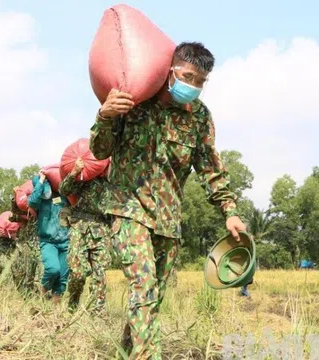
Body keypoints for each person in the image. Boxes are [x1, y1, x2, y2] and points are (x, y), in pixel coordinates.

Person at [89, 42, 247, 359]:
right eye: (188, 76)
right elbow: (100, 151)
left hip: (169, 221)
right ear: (170, 70)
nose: (194, 86)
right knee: (143, 286)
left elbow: (210, 167)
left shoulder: (198, 117)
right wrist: (105, 115)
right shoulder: (133, 101)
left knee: (151, 298)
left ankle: (127, 351)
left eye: (201, 81)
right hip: (128, 210)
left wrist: (229, 211)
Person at [58, 158, 112, 316]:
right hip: (80, 227)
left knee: (100, 274)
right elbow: (63, 190)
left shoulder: (113, 183)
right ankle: (73, 303)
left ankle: (98, 313)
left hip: (102, 230)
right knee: (78, 273)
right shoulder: (86, 178)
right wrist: (74, 172)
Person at [28, 170, 70, 304]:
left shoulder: (66, 197)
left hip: (66, 241)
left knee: (63, 277)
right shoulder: (42, 199)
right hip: (48, 242)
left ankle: (54, 309)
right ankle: (42, 293)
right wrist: (41, 180)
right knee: (53, 269)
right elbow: (32, 202)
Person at [9, 195, 42, 296]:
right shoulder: (24, 210)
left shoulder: (44, 209)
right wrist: (15, 199)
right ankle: (26, 294)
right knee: (26, 271)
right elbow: (13, 215)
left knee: (40, 270)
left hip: (41, 242)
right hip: (26, 243)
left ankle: (39, 295)